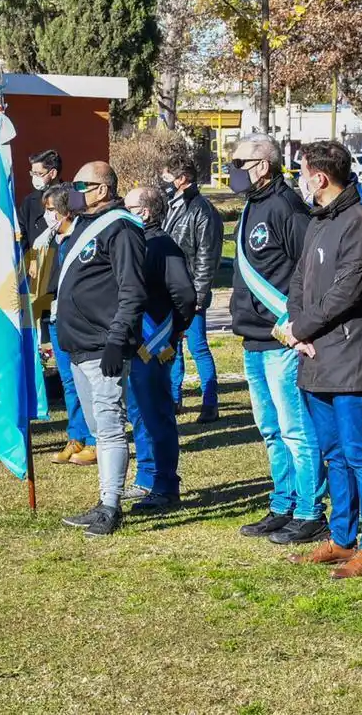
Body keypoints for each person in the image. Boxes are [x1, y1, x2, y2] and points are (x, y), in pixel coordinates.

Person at [284, 141, 362, 578]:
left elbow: (350, 288)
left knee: (359, 453)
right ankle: (342, 539)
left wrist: (304, 327)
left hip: (349, 359)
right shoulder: (318, 220)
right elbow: (298, 281)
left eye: (302, 172)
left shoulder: (359, 221)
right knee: (333, 454)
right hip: (315, 358)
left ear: (320, 177)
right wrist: (297, 327)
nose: (300, 180)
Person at [229, 133, 328, 546]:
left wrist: (299, 324)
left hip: (281, 340)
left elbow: (312, 268)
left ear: (263, 166)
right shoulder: (252, 205)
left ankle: (310, 511)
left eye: (239, 163)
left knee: (295, 430)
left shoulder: (286, 206)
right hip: (253, 340)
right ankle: (283, 503)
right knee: (270, 429)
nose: (232, 170)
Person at [57, 161, 148, 538]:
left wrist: (116, 339)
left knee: (110, 427)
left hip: (103, 345)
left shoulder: (122, 228)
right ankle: (103, 499)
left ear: (102, 190)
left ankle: (111, 506)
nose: (74, 191)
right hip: (78, 346)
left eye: (81, 185)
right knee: (98, 428)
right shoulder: (83, 225)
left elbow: (132, 290)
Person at [122, 187, 196, 511]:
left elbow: (185, 294)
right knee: (139, 413)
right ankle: (146, 477)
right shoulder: (137, 243)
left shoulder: (163, 245)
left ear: (145, 212)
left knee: (157, 415)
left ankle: (165, 485)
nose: (122, 211)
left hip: (154, 343)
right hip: (135, 342)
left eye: (128, 207)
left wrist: (174, 329)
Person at [33, 184, 96, 466]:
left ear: (66, 211)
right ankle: (76, 436)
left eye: (51, 210)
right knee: (69, 381)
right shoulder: (47, 239)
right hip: (55, 316)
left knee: (87, 381)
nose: (47, 216)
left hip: (79, 318)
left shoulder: (82, 238)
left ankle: (95, 440)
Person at [161, 152, 224, 423]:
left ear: (183, 178)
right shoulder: (172, 205)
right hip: (172, 289)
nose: (164, 180)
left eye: (168, 175)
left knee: (198, 346)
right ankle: (174, 398)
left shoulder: (201, 209)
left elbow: (206, 256)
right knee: (172, 346)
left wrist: (199, 295)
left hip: (190, 291)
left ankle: (210, 403)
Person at [18, 149, 62, 243]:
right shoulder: (29, 202)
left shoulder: (70, 197)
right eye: (33, 173)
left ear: (53, 173)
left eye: (39, 174)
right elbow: (21, 234)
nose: (35, 178)